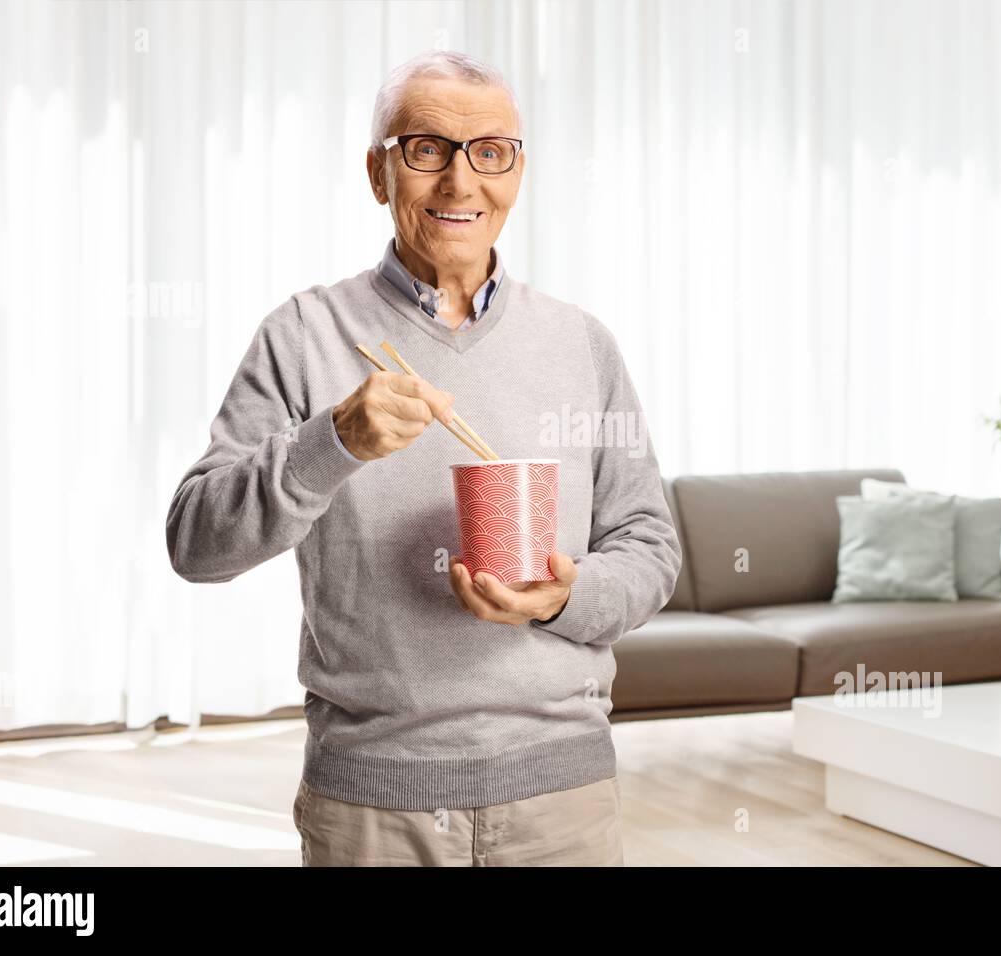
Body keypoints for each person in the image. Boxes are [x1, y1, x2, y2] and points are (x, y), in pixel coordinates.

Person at [165, 49, 682, 866]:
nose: (460, 181)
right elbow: (195, 545)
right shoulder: (305, 336)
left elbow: (651, 548)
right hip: (373, 804)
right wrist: (330, 443)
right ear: (379, 171)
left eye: (490, 151)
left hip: (563, 799)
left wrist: (563, 596)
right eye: (426, 149)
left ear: (516, 170)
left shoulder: (581, 344)